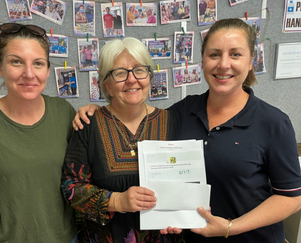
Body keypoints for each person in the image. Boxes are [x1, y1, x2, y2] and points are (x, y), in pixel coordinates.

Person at [72, 18, 301, 243]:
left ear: (252, 61)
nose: (223, 64)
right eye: (214, 54)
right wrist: (97, 110)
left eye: (235, 54)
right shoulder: (182, 113)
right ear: (202, 60)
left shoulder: (273, 122)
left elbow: (292, 199)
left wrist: (231, 227)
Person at [0, 23, 77, 243]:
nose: (29, 74)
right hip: (12, 237)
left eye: (38, 63)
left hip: (67, 235)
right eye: (16, 61)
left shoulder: (62, 111)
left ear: (47, 70)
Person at [61, 37, 184, 243]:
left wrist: (183, 213)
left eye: (139, 70)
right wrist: (117, 201)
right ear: (107, 86)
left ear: (149, 77)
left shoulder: (172, 121)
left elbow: (186, 179)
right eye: (120, 73)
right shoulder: (88, 125)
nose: (132, 79)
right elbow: (70, 187)